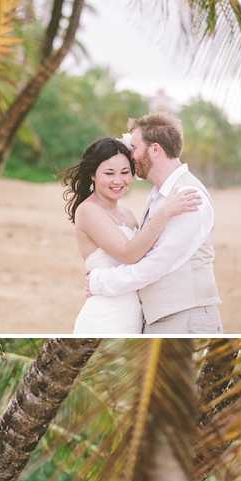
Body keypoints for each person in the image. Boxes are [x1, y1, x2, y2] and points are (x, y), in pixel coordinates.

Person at [85, 112, 222, 334]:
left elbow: (156, 264)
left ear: (155, 150)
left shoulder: (187, 195)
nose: (131, 155)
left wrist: (101, 281)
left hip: (185, 318)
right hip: (160, 319)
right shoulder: (160, 195)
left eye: (135, 147)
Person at [64, 137, 202, 334]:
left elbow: (146, 256)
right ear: (93, 174)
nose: (118, 181)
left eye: (125, 172)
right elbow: (129, 254)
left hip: (134, 316)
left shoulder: (127, 214)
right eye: (109, 173)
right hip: (105, 316)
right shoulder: (88, 211)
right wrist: (164, 212)